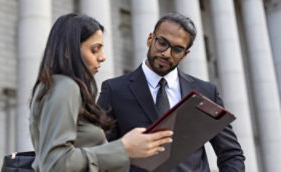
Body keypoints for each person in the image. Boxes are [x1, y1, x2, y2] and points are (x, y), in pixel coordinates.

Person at [97, 13, 246, 172]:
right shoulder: (114, 90)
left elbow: (231, 153)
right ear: (150, 39)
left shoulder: (206, 92)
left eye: (177, 49)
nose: (166, 53)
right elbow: (97, 150)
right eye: (162, 43)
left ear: (185, 55)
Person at [29, 13, 173, 172]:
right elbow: (55, 163)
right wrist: (123, 147)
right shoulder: (65, 87)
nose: (103, 57)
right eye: (95, 50)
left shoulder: (54, 86)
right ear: (67, 51)